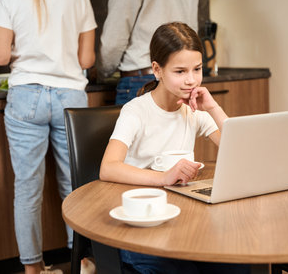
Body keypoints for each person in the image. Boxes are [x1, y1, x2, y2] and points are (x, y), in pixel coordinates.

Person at [100, 22, 251, 274]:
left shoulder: (194, 110)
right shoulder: (136, 111)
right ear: (157, 70)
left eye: (197, 69)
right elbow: (108, 168)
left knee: (238, 264)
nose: (191, 80)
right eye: (180, 71)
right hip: (142, 226)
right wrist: (163, 178)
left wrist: (213, 108)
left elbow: (240, 154)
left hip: (183, 223)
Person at [0, 0, 96, 273]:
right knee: (75, 186)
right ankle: (83, 262)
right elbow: (86, 60)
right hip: (70, 98)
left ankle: (33, 269)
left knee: (27, 187)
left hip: (26, 95)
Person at [98, 0, 199, 105]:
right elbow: (192, 36)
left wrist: (102, 72)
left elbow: (113, 41)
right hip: (180, 81)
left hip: (141, 80)